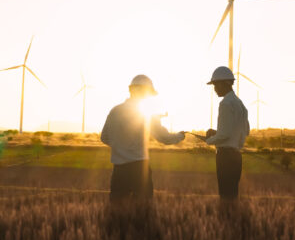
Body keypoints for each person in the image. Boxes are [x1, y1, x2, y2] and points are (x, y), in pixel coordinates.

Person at [100, 74, 184, 203]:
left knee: (116, 212)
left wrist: (121, 147)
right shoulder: (147, 113)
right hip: (139, 170)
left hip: (118, 171)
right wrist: (180, 136)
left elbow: (104, 137)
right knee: (144, 212)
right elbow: (164, 138)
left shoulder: (115, 111)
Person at [204, 66, 249, 200]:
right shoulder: (240, 104)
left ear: (225, 83)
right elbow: (244, 131)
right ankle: (232, 220)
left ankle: (226, 219)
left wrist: (209, 140)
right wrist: (219, 133)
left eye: (216, 85)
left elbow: (224, 135)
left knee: (225, 196)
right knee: (232, 196)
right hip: (236, 156)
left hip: (225, 157)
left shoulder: (225, 104)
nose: (215, 89)